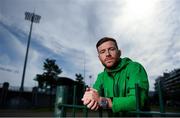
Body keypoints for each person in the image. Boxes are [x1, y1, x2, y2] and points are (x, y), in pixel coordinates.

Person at [81, 37, 149, 116]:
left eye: (111, 49)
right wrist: (89, 97)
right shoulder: (101, 76)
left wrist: (103, 101)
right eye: (102, 52)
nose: (107, 54)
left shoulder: (135, 68)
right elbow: (95, 94)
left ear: (119, 52)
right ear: (99, 58)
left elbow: (138, 101)